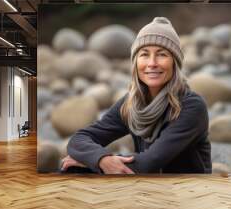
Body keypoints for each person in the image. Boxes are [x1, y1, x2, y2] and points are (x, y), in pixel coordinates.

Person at [61, 17, 211, 174]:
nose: (152, 63)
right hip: (148, 187)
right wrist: (100, 159)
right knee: (70, 168)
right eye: (144, 54)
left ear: (175, 62)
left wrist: (93, 163)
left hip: (186, 192)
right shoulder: (132, 104)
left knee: (79, 166)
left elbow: (150, 162)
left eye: (162, 54)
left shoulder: (191, 106)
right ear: (136, 62)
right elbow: (79, 139)